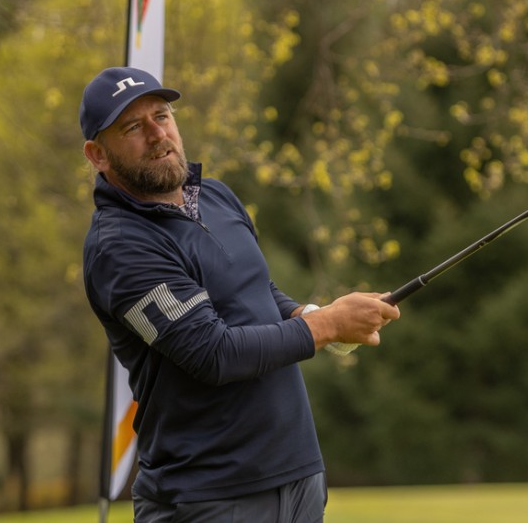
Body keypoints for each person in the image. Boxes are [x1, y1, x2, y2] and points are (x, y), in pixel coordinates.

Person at [79, 66, 400, 522]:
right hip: (209, 496)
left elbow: (254, 289)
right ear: (98, 155)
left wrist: (310, 312)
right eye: (134, 127)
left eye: (162, 115)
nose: (157, 134)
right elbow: (213, 353)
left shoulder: (216, 197)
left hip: (297, 475)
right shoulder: (120, 248)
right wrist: (326, 326)